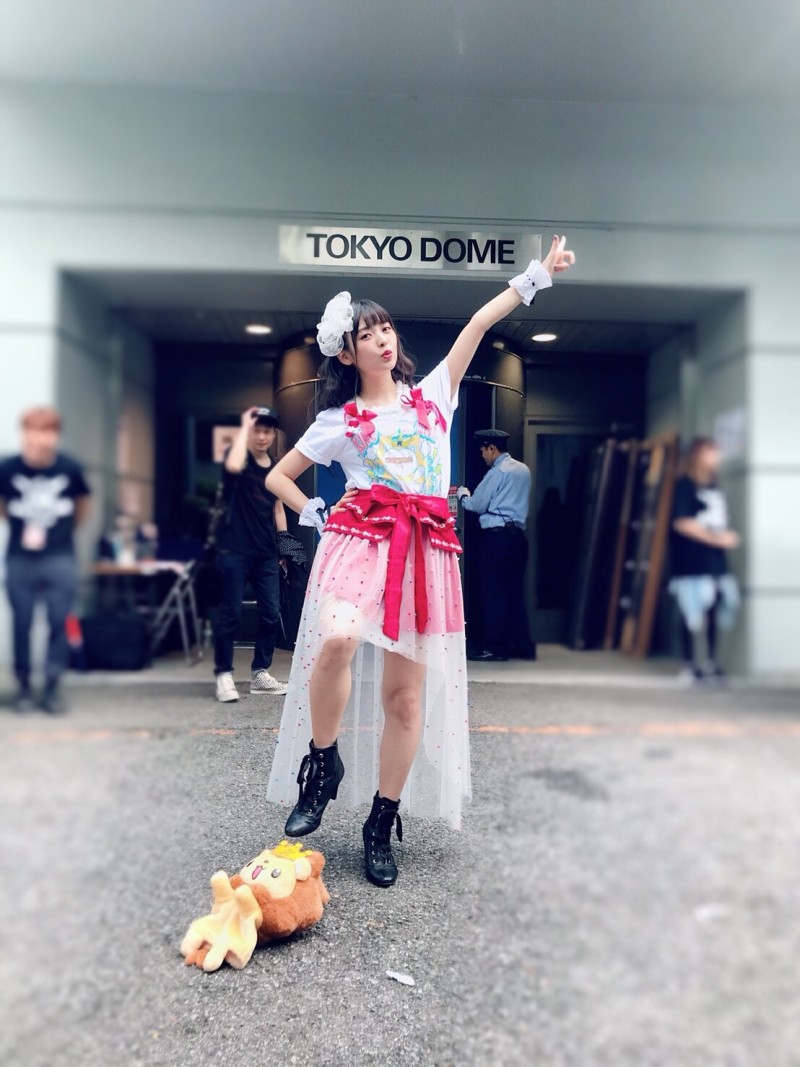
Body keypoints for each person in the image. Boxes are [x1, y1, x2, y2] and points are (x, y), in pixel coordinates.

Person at [264, 236, 575, 888]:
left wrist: (535, 277)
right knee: (337, 639)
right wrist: (312, 509)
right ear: (346, 353)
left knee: (405, 698)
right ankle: (323, 763)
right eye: (366, 334)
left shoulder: (434, 393)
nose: (382, 339)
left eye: (385, 328)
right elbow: (279, 476)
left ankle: (382, 820)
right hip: (360, 537)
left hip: (424, 550)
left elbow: (478, 323)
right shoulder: (339, 420)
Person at [0, 406, 91, 713]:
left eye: (44, 432)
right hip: (20, 558)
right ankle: (24, 687)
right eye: (30, 431)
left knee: (57, 621)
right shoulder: (8, 468)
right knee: (21, 623)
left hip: (59, 558)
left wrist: (60, 533)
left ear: (55, 436)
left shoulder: (70, 468)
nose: (36, 438)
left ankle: (52, 687)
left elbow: (82, 506)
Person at [213, 406, 289, 702]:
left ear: (273, 434)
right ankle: (224, 674)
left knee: (271, 613)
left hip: (266, 553)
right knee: (230, 614)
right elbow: (232, 467)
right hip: (235, 550)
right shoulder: (238, 460)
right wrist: (244, 427)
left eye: (267, 431)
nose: (262, 436)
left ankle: (260, 673)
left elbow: (278, 509)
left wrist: (284, 547)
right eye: (257, 430)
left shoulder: (277, 468)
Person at [457, 429, 534, 662]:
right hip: (518, 538)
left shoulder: (497, 472)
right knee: (515, 593)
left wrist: (463, 496)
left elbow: (477, 504)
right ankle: (521, 646)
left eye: (483, 450)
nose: (482, 455)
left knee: (493, 593)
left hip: (496, 538)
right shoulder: (523, 470)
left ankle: (495, 648)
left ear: (492, 448)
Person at [669, 436, 741, 683]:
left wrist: (723, 538)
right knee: (691, 611)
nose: (716, 458)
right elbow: (682, 522)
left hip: (715, 562)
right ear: (699, 455)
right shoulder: (685, 485)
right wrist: (718, 539)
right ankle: (689, 665)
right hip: (692, 561)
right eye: (712, 452)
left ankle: (710, 663)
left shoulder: (714, 486)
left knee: (715, 610)